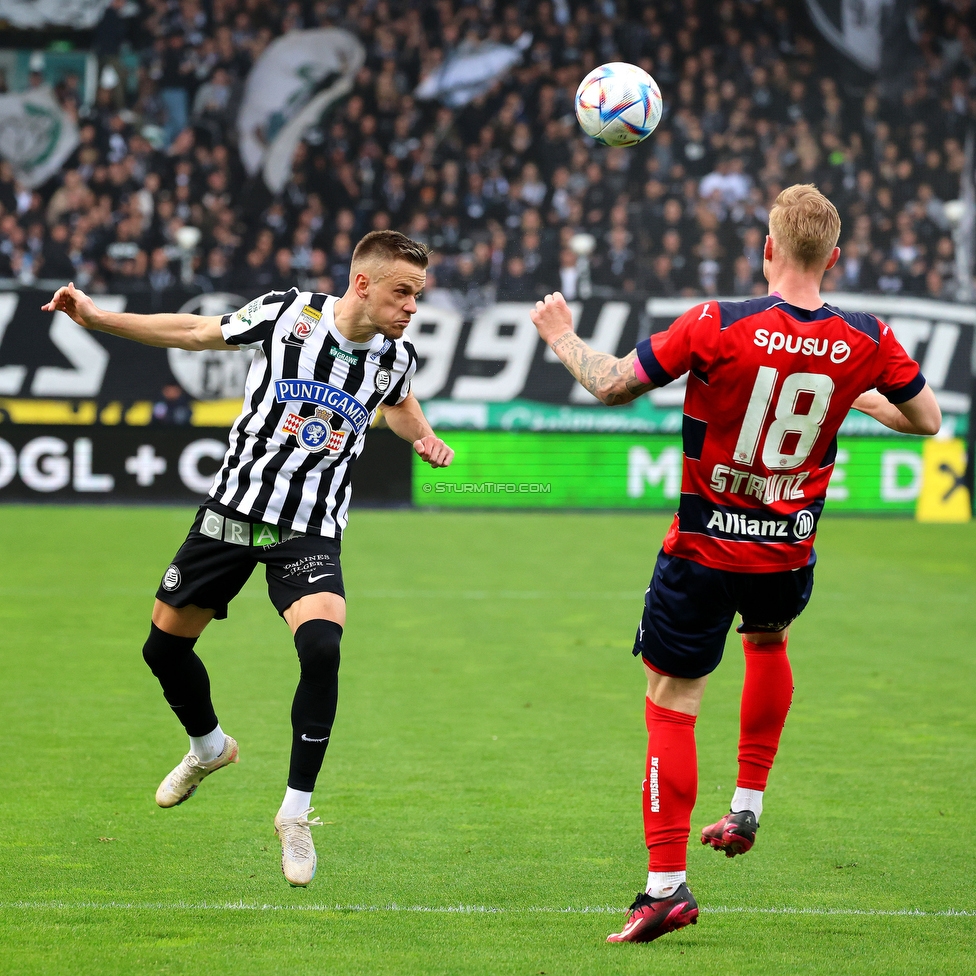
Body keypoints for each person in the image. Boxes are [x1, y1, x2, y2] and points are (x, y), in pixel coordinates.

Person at [529, 185, 941, 944]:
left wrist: (560, 334)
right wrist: (849, 395)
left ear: (767, 250)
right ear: (835, 258)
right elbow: (926, 418)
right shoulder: (866, 337)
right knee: (769, 641)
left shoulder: (717, 321)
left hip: (705, 547)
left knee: (672, 698)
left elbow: (612, 383)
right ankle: (747, 802)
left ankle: (664, 888)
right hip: (787, 552)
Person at [42, 230, 454, 887]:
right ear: (363, 284)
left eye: (418, 296)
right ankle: (209, 748)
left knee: (322, 648)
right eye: (402, 293)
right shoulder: (288, 315)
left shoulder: (392, 357)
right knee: (162, 651)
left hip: (309, 531)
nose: (412, 307)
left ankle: (295, 813)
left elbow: (400, 404)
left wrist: (426, 437)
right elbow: (193, 331)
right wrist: (96, 317)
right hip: (233, 515)